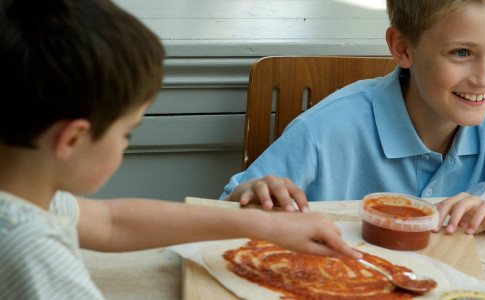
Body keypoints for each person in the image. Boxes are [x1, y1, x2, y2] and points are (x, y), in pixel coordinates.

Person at [0, 0, 361, 298]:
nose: (125, 145)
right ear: (72, 140)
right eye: (128, 133)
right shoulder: (33, 251)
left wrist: (268, 226)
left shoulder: (23, 197)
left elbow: (112, 223)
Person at [221, 0, 485, 235]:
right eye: (461, 52)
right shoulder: (325, 129)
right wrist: (256, 191)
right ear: (402, 48)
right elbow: (226, 212)